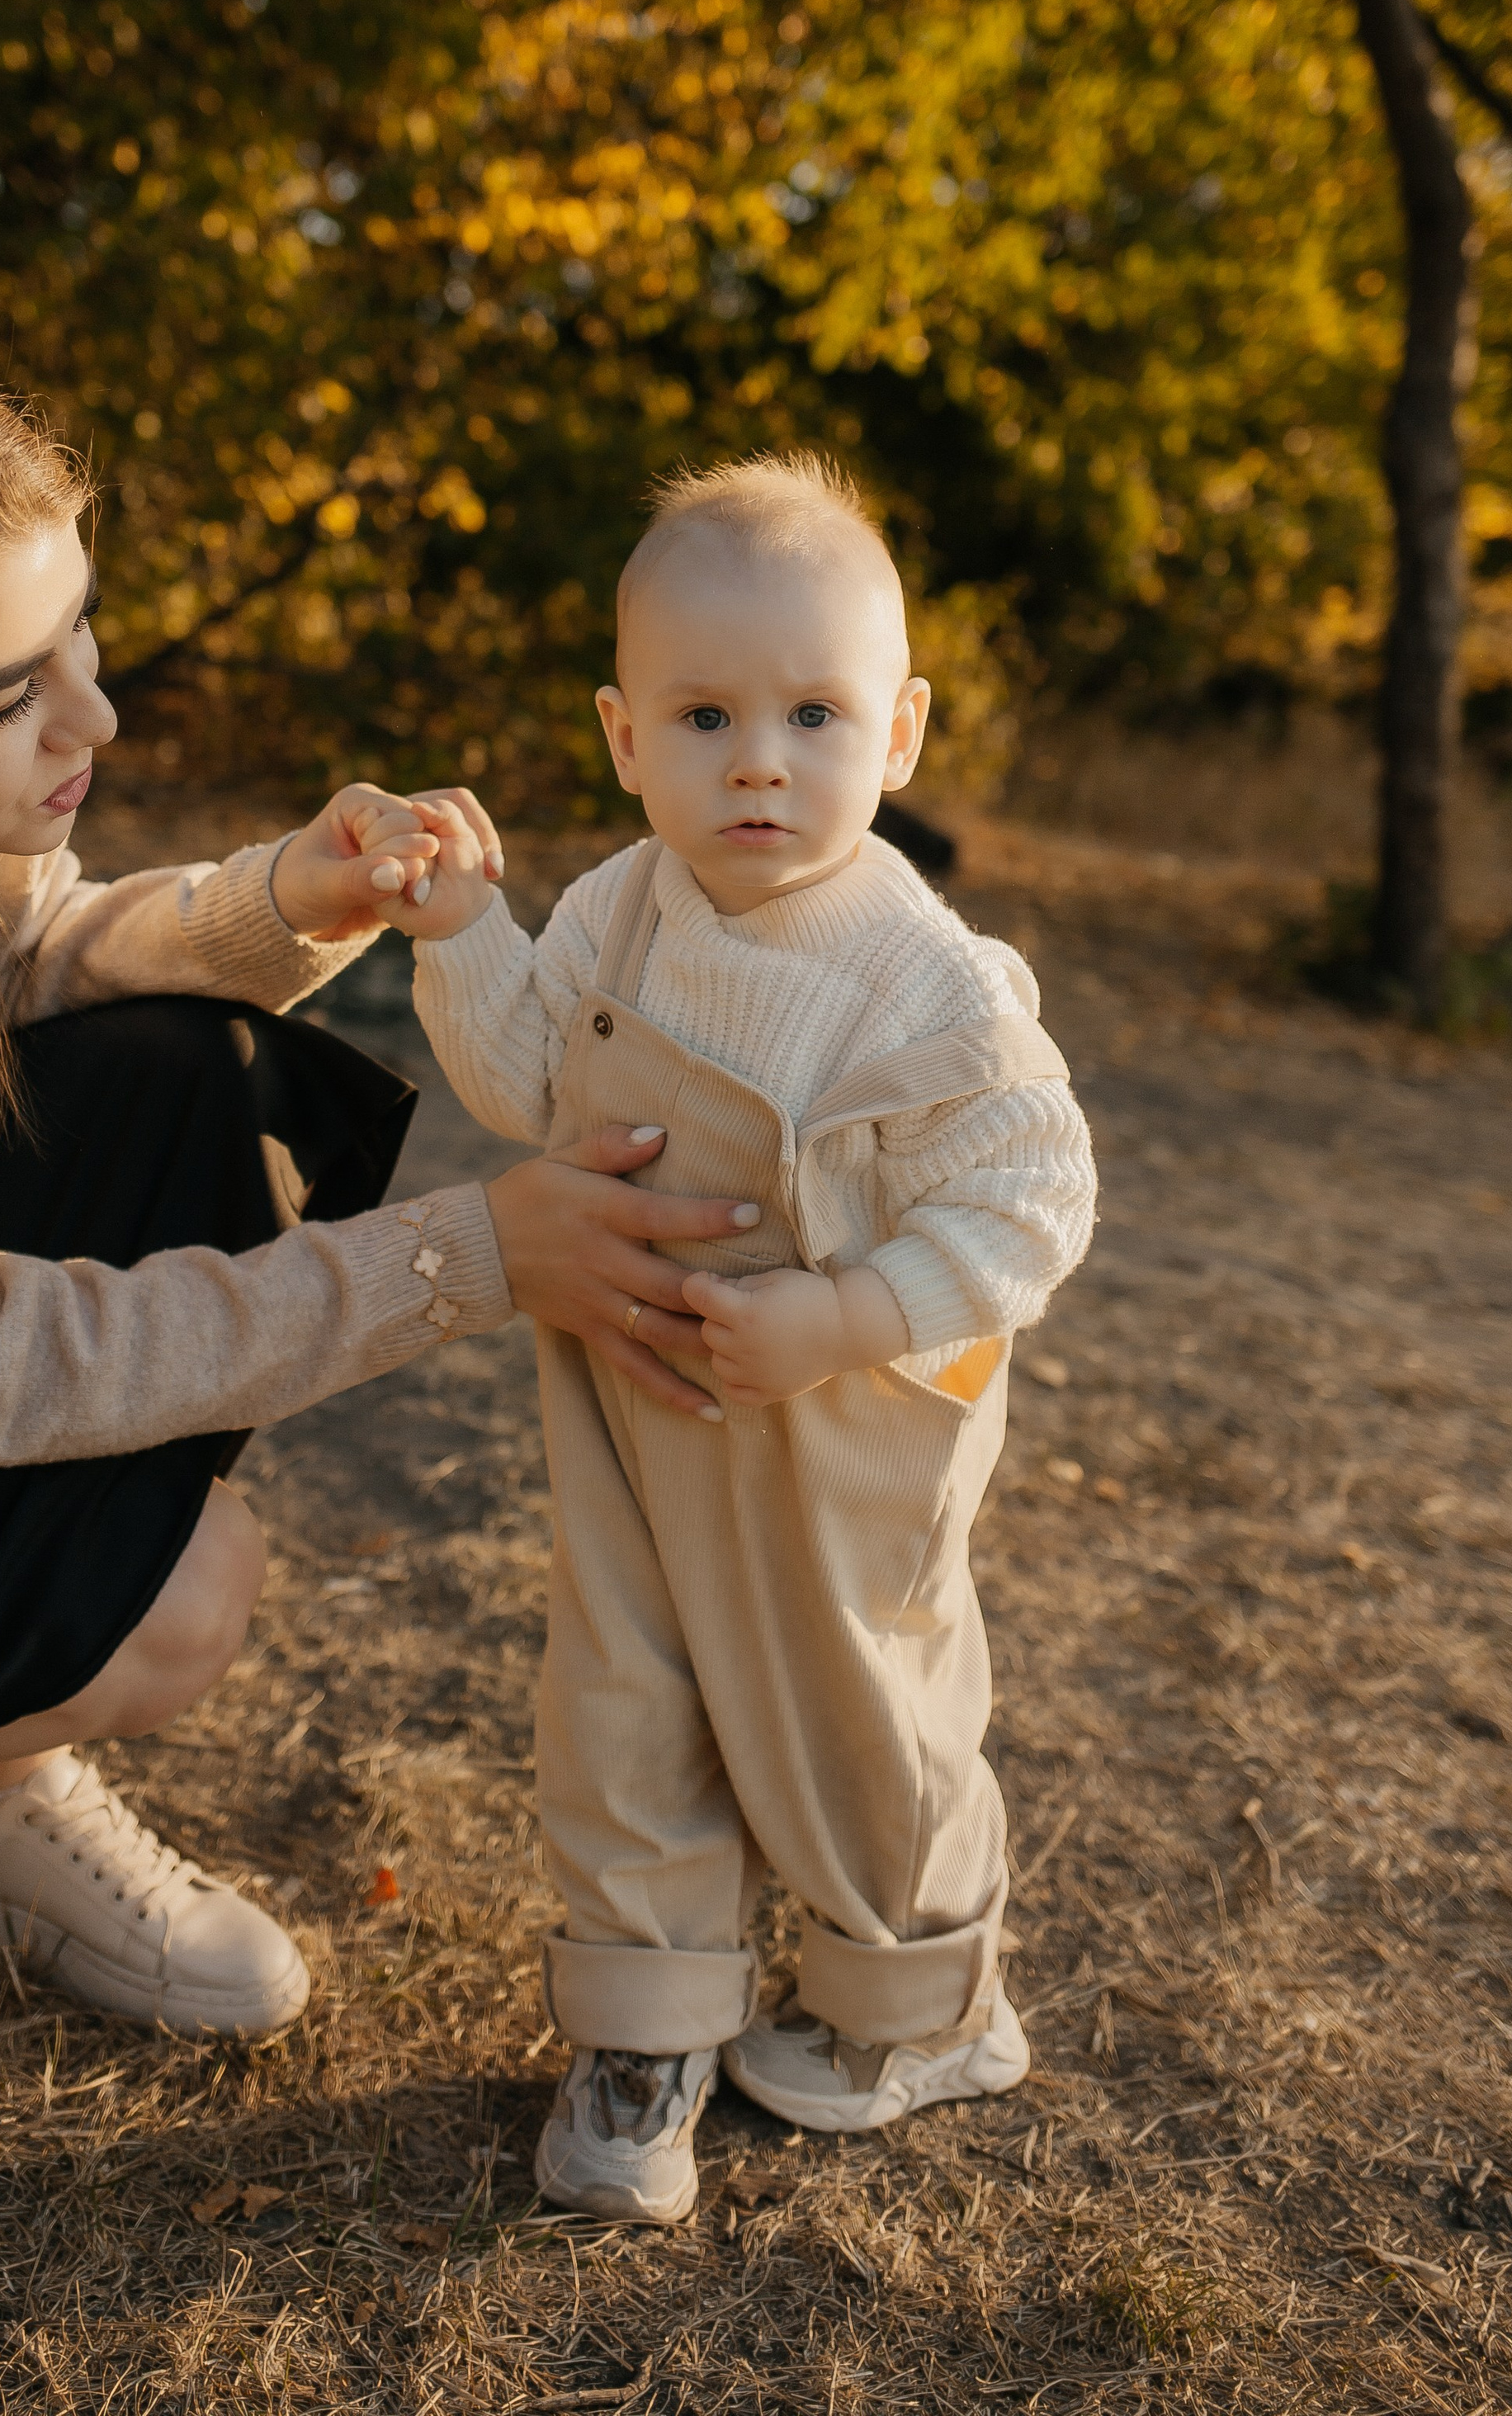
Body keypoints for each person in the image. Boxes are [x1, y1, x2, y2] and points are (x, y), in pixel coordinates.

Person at [0, 291, 759, 2050]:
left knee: (179, 1061)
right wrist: (459, 1259)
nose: (89, 714)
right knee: (166, 1611)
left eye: (78, 634)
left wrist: (279, 900)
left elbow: (33, 961)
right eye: (11, 695)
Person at [387, 454, 1099, 2223]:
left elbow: (1032, 1203)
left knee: (857, 1711)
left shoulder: (923, 980)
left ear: (901, 731)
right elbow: (531, 1086)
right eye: (705, 716)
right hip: (630, 1396)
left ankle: (914, 2004)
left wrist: (847, 1311)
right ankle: (644, 2030)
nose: (758, 761)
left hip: (834, 1435)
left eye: (811, 713)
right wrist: (466, 934)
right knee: (617, 1692)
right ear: (625, 738)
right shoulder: (621, 907)